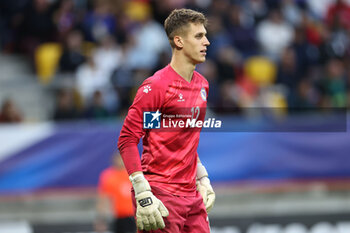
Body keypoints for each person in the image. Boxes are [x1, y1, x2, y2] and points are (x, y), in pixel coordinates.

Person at [117, 8, 215, 233]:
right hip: (161, 194)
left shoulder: (202, 85)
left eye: (206, 35)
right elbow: (128, 140)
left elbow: (183, 137)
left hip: (191, 195)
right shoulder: (156, 86)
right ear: (179, 41)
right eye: (199, 36)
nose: (207, 42)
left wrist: (202, 177)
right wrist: (142, 191)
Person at [95, 153, 136, 233]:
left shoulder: (132, 174)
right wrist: (101, 219)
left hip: (134, 215)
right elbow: (103, 198)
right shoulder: (108, 176)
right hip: (118, 216)